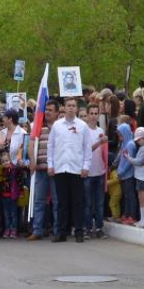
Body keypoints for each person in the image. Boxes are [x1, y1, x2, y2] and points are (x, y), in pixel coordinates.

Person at [47, 97, 92, 243]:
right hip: (60, 168)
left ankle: (79, 232)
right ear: (64, 108)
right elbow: (51, 146)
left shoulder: (82, 126)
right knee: (61, 203)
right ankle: (61, 232)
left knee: (78, 202)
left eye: (74, 106)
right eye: (69, 105)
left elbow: (87, 147)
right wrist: (50, 164)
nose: (71, 108)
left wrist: (86, 166)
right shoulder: (57, 126)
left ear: (77, 108)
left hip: (76, 169)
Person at [27, 100, 59, 241]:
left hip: (56, 170)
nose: (47, 112)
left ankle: (58, 230)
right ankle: (37, 230)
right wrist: (32, 162)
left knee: (57, 202)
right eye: (46, 109)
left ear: (57, 112)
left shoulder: (60, 127)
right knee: (39, 201)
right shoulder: (38, 126)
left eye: (50, 110)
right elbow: (31, 144)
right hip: (40, 169)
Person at [84, 104, 108, 239]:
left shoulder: (100, 130)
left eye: (95, 113)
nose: (93, 116)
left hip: (100, 171)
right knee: (88, 203)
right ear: (87, 115)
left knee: (99, 203)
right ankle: (88, 228)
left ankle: (99, 227)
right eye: (91, 113)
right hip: (88, 172)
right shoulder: (84, 131)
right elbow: (86, 151)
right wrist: (99, 142)